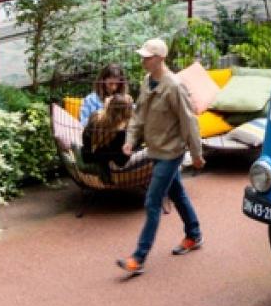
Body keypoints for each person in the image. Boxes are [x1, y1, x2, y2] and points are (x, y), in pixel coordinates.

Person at [116, 38, 206, 276]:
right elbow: (139, 115)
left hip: (171, 152)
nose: (143, 60)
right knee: (176, 192)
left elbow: (189, 122)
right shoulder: (147, 81)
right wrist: (130, 140)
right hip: (155, 149)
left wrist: (196, 154)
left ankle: (139, 257)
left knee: (152, 202)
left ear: (160, 58)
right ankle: (194, 234)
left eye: (147, 56)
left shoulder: (175, 86)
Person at [80, 64, 135, 169]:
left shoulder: (125, 99)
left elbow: (134, 116)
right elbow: (84, 124)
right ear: (103, 80)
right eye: (110, 83)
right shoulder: (91, 100)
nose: (114, 87)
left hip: (111, 146)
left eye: (117, 84)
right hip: (98, 138)